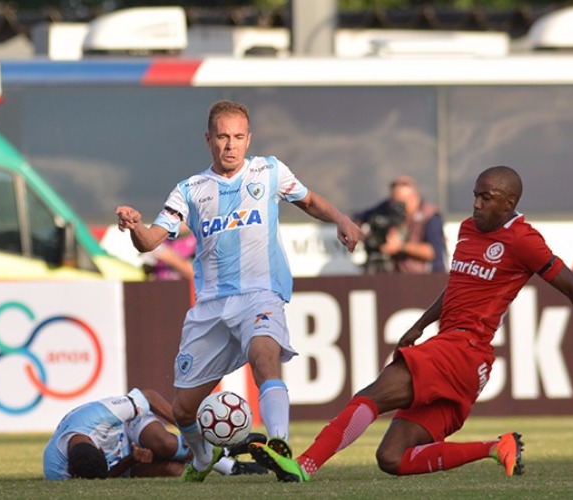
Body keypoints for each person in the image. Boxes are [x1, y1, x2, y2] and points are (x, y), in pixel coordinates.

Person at [250, 165, 573, 482]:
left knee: (370, 396)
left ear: (509, 203)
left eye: (487, 198)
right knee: (391, 458)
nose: (477, 205)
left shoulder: (523, 240)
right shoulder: (469, 229)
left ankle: (305, 466)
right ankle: (496, 447)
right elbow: (458, 286)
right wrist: (421, 324)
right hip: (461, 357)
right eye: (475, 196)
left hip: (463, 350)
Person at [115, 99, 362, 482]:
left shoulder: (269, 171)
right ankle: (201, 457)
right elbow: (150, 242)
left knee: (265, 355)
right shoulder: (190, 190)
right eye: (222, 137)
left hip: (261, 294)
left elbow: (309, 201)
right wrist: (134, 226)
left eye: (238, 137)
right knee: (183, 411)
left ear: (249, 139)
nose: (230, 144)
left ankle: (279, 446)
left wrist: (341, 219)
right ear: (208, 139)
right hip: (211, 306)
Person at [43, 387, 268, 480]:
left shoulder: (99, 416)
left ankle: (215, 449)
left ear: (100, 448)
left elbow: (148, 396)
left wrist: (191, 431)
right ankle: (229, 464)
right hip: (125, 462)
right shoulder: (55, 470)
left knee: (166, 446)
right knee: (175, 470)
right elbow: (103, 477)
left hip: (129, 428)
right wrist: (131, 459)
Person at [355, 175, 446, 274]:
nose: (398, 207)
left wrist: (401, 247)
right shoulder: (387, 207)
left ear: (415, 198)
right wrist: (362, 236)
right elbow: (359, 219)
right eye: (394, 202)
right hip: (392, 275)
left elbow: (433, 252)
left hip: (425, 278)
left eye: (402, 203)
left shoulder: (430, 216)